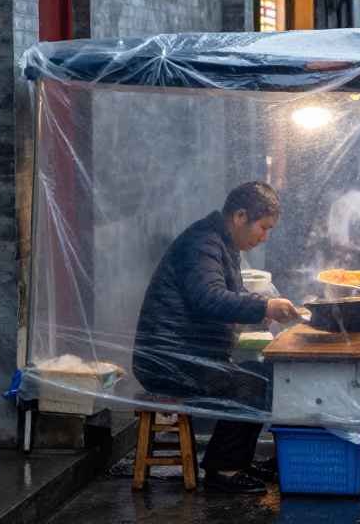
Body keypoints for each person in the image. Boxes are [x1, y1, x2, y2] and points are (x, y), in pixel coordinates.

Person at [132, 182, 302, 494]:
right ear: (240, 216)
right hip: (169, 363)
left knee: (267, 375)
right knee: (255, 382)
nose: (265, 238)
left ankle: (234, 460)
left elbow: (222, 299)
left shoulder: (221, 244)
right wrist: (263, 304)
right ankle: (223, 471)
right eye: (263, 228)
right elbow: (208, 297)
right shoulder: (202, 243)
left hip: (191, 357)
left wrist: (260, 312)